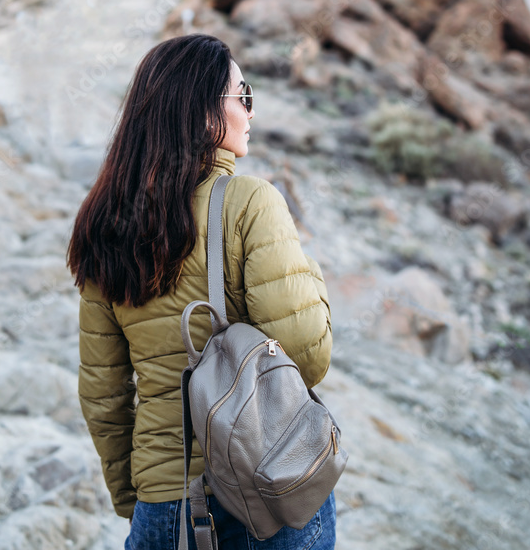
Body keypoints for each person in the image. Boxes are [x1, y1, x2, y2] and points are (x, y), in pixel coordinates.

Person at [66, 33, 336, 549]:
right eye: (243, 95)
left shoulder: (103, 227)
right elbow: (307, 358)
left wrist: (140, 500)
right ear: (207, 115)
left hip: (162, 507)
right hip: (264, 494)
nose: (251, 111)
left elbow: (103, 397)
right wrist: (309, 273)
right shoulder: (251, 202)